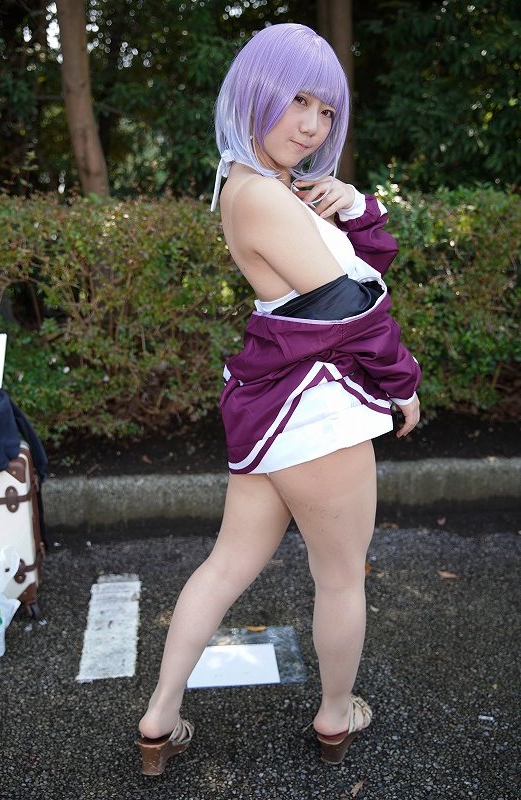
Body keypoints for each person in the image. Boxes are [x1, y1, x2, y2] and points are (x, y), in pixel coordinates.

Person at [137, 22, 421, 776]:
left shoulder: (267, 186)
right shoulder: (260, 193)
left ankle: (160, 718)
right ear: (255, 91)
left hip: (281, 412)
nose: (312, 124)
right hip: (315, 414)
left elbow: (361, 270)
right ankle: (335, 714)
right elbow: (349, 307)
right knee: (338, 576)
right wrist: (403, 382)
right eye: (297, 100)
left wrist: (355, 207)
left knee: (227, 564)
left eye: (325, 111)